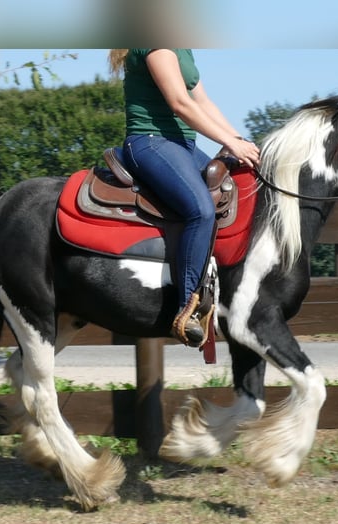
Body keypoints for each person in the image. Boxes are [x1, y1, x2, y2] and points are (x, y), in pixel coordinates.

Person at [108, 49, 260, 347]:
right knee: (200, 209)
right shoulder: (156, 44)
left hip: (183, 145)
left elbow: (203, 102)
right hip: (150, 142)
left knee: (238, 187)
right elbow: (179, 103)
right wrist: (228, 142)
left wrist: (241, 143)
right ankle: (189, 307)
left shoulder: (182, 48)